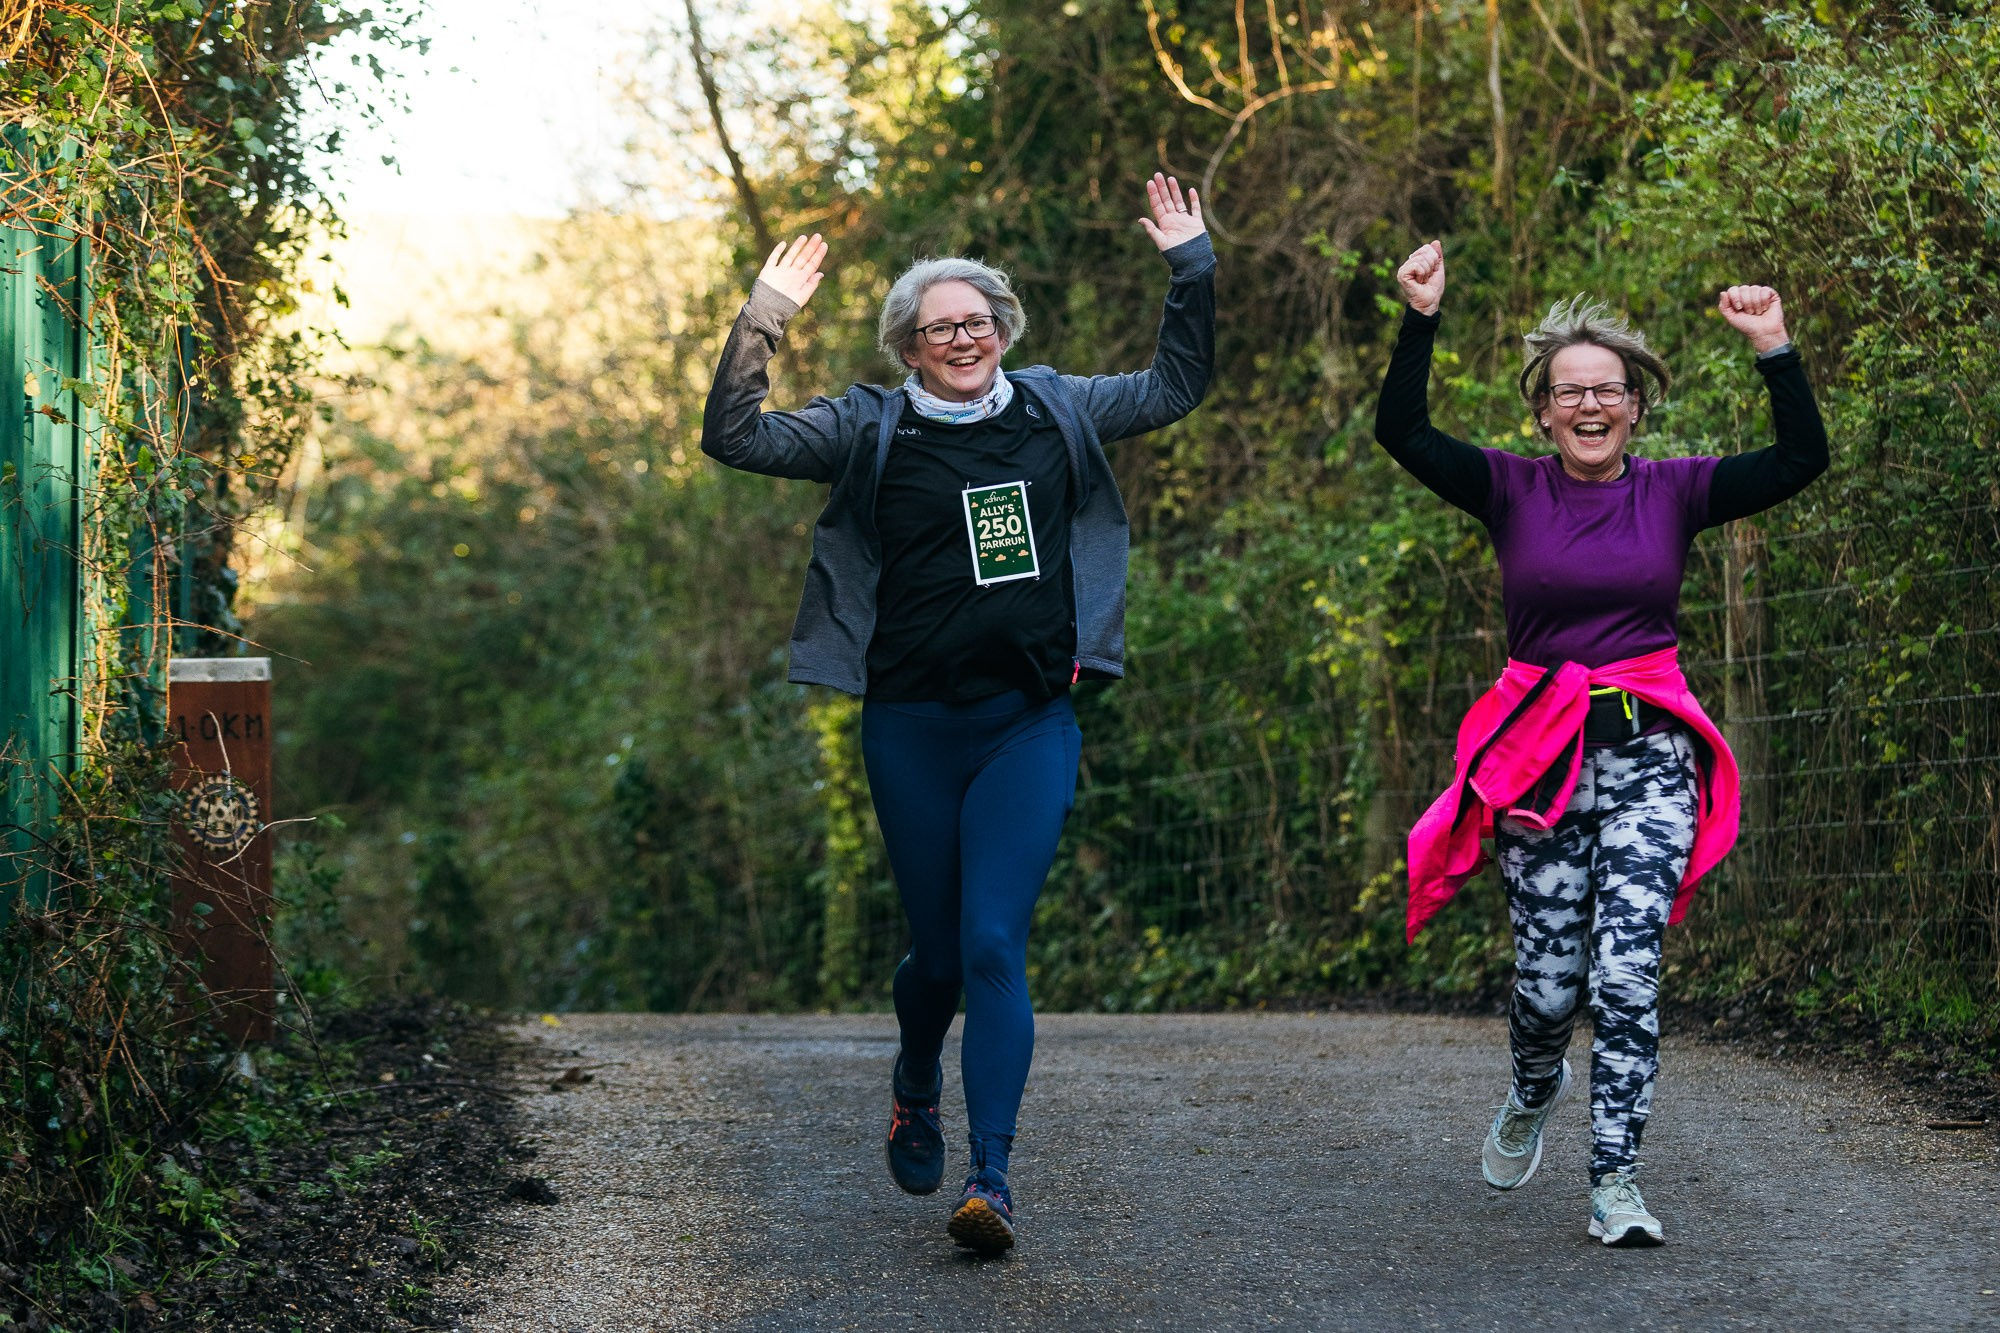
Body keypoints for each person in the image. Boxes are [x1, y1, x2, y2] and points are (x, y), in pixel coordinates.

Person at [701, 175, 1215, 1253]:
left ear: (1000, 328)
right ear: (908, 344)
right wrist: (763, 318)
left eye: (976, 321)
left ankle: (992, 1178)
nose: (961, 338)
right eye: (939, 327)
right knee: (934, 959)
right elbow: (736, 436)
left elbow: (1174, 385)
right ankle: (912, 1073)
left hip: (1028, 719)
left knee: (991, 941)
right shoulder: (866, 429)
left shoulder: (1056, 408)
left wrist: (1190, 266)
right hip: (911, 727)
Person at [1375, 240, 1827, 1246]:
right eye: (1568, 392)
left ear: (1633, 405)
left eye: (1607, 390)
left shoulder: (1673, 490)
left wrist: (1773, 348)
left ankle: (1614, 1178)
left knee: (1625, 974)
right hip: (1538, 763)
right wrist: (1418, 319)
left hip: (1648, 756)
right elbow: (1399, 430)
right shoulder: (1504, 488)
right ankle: (1534, 1084)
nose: (1588, 406)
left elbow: (1799, 460)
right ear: (1541, 409)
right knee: (1546, 988)